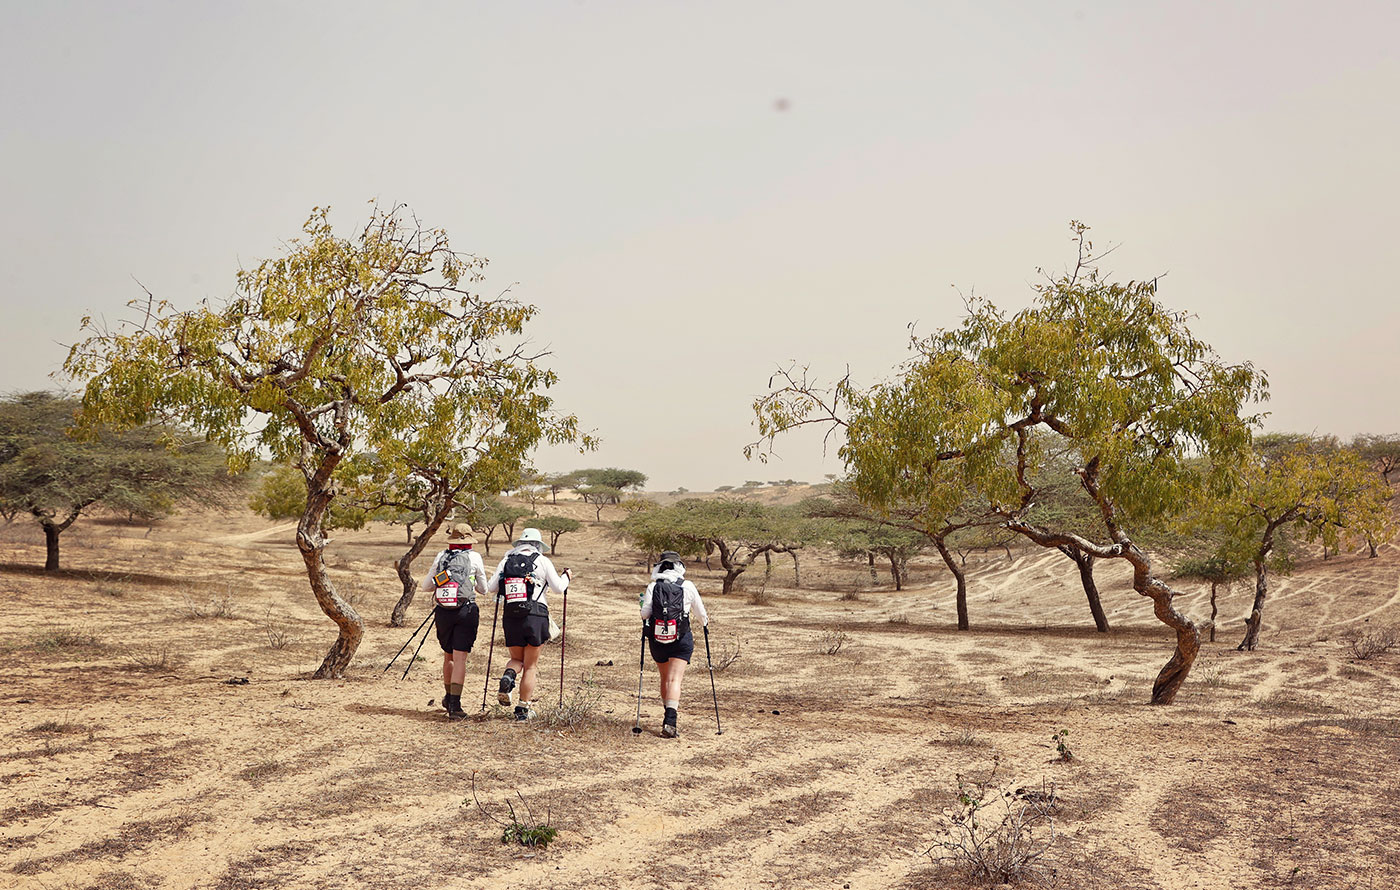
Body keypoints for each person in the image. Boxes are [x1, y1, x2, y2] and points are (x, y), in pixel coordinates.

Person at [487, 527, 571, 721]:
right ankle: (523, 709)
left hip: (511, 615)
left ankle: (509, 676)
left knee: (516, 660)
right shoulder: (543, 560)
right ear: (538, 545)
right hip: (536, 615)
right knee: (531, 666)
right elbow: (558, 588)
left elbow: (491, 588)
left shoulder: (506, 560)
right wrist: (567, 576)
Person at [417, 524, 487, 720]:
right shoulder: (475, 557)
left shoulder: (441, 556)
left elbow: (426, 586)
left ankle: (448, 698)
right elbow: (483, 589)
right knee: (460, 658)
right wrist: (470, 582)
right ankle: (455, 706)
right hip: (466, 610)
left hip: (443, 612)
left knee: (448, 656)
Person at [640, 550, 708, 738]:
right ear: (679, 566)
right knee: (674, 679)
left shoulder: (653, 586)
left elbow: (645, 614)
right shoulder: (688, 586)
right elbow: (701, 614)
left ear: (660, 567)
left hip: (658, 640)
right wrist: (705, 624)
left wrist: (643, 606)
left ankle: (667, 717)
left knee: (665, 678)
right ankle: (670, 721)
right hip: (681, 638)